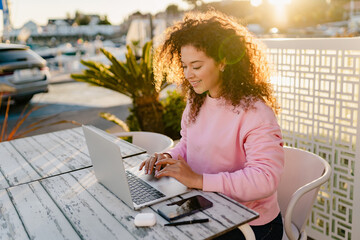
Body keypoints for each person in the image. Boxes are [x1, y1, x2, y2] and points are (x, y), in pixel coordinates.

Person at [139, 10, 284, 240]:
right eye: (184, 66)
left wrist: (199, 180)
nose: (188, 74)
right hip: (207, 203)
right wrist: (167, 158)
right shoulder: (197, 100)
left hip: (251, 224)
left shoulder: (255, 112)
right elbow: (188, 145)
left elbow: (265, 179)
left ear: (223, 62)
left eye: (196, 66)